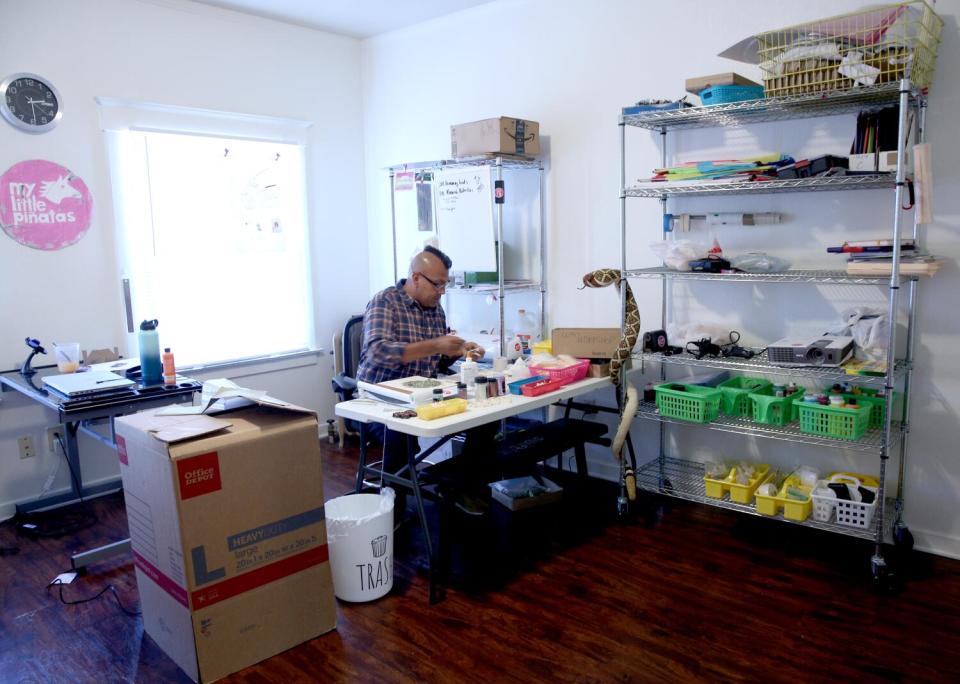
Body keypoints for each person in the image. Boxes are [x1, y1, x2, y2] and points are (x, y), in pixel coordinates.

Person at [356, 246, 489, 518]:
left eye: (445, 285)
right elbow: (377, 352)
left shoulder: (435, 310)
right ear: (416, 277)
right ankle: (391, 511)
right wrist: (434, 345)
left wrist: (455, 353)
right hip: (379, 401)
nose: (442, 292)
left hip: (422, 397)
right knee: (400, 435)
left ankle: (459, 486)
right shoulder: (385, 302)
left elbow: (434, 364)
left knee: (484, 418)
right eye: (438, 284)